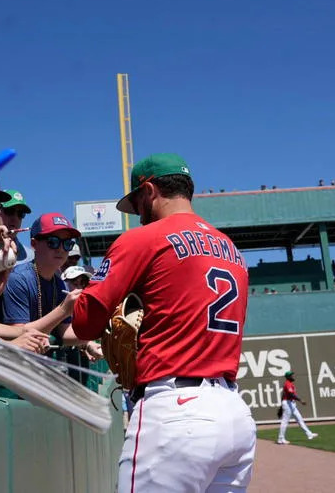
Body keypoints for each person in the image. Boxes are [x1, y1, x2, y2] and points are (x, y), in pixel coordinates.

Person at [71, 153, 255, 492]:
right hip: (234, 414)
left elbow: (84, 322)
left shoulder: (143, 239)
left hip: (175, 411)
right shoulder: (232, 250)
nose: (139, 214)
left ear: (150, 190)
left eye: (138, 202)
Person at [276, 371, 317, 444]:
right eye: (291, 375)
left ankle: (309, 434)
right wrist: (300, 400)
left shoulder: (290, 384)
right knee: (285, 421)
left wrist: (282, 405)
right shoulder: (287, 384)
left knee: (299, 419)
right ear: (288, 377)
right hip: (288, 403)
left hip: (291, 403)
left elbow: (283, 395)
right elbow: (291, 394)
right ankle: (280, 438)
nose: (293, 376)